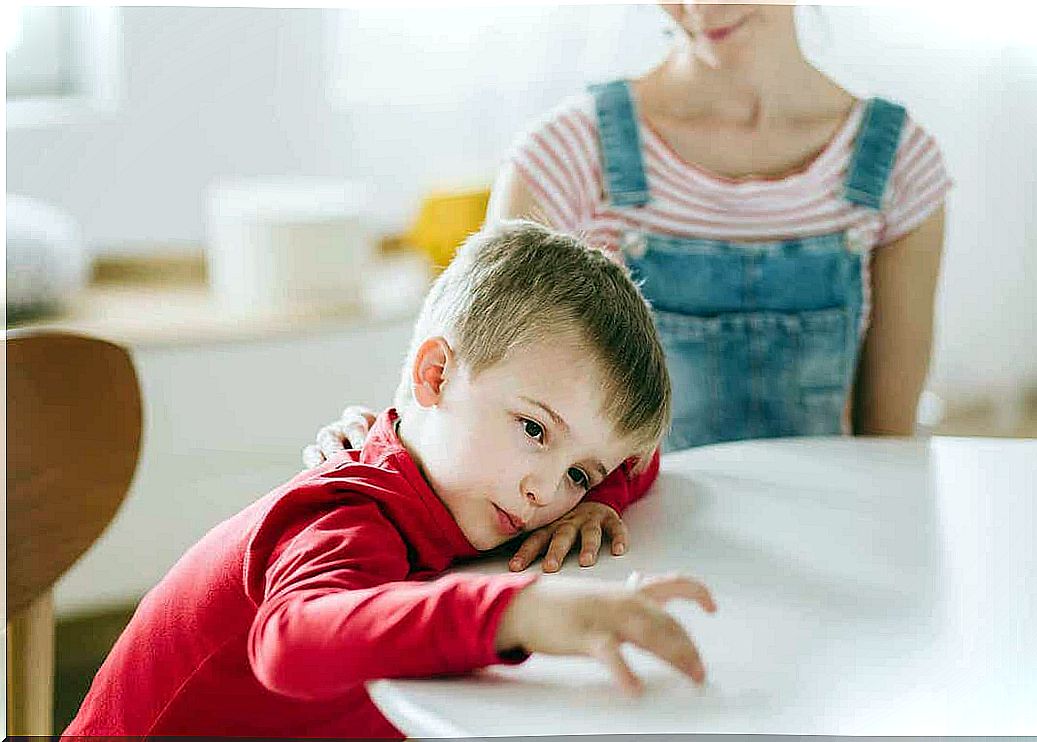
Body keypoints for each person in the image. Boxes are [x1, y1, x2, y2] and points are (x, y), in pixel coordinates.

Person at [304, 3, 951, 574]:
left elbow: (884, 454)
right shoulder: (567, 153)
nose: (697, 7)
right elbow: (451, 397)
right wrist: (370, 441)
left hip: (818, 553)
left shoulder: (900, 164)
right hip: (625, 560)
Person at [64, 221, 716, 738]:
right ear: (435, 376)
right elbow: (292, 641)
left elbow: (638, 459)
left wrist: (595, 499)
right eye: (535, 430)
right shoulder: (351, 514)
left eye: (577, 471)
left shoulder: (467, 485)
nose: (545, 492)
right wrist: (523, 611)